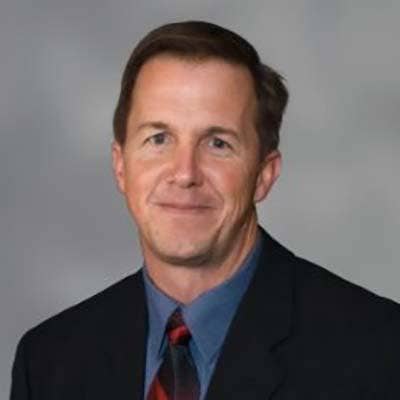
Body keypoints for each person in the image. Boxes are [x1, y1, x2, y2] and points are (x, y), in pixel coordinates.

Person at [10, 20, 400, 400]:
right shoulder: (49, 361)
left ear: (264, 174)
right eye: (158, 138)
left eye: (218, 144)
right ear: (120, 166)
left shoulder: (379, 352)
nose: (185, 173)